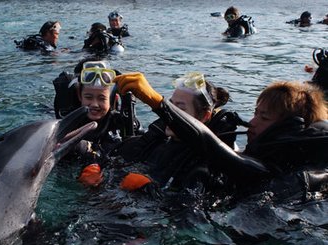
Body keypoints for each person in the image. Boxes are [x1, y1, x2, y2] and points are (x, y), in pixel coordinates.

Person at [114, 73, 328, 196]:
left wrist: (157, 102)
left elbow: (210, 145)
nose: (252, 122)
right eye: (255, 113)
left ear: (288, 127)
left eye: (264, 118)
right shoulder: (262, 157)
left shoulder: (275, 172)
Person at [113, 72, 245, 191]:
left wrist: (146, 189)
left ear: (205, 116)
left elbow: (183, 210)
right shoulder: (156, 141)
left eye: (180, 109)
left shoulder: (205, 166)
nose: (170, 115)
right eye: (171, 105)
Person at [56, 60, 142, 186]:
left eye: (102, 98)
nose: (94, 104)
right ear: (80, 96)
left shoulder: (120, 124)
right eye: (89, 97)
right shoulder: (68, 123)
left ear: (113, 99)